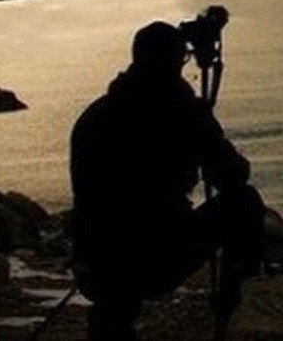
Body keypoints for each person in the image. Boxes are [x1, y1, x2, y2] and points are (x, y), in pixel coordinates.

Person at [69, 21, 264, 341]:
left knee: (118, 252)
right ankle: (234, 311)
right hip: (153, 259)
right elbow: (234, 176)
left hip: (95, 263)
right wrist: (202, 125)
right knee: (244, 202)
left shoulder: (95, 115)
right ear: (173, 62)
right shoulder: (181, 113)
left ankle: (110, 323)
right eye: (181, 59)